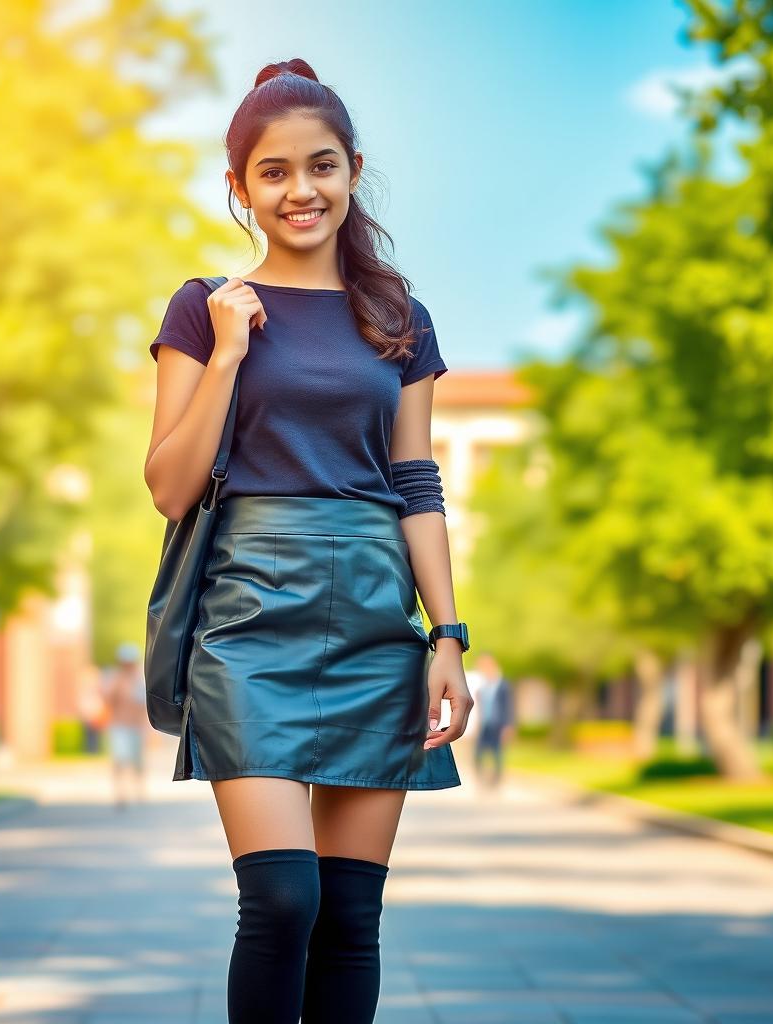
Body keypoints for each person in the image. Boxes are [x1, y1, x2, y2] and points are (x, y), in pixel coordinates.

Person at [144, 58, 474, 1024]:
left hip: (376, 617)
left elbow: (416, 484)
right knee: (285, 899)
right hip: (249, 617)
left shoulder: (397, 319)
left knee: (351, 919)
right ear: (238, 187)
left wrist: (448, 636)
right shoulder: (204, 310)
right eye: (275, 172)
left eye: (321, 167)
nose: (302, 190)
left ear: (353, 170)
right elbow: (170, 487)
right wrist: (231, 353)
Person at [100, 642, 150, 808]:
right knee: (120, 760)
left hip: (136, 726)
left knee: (138, 761)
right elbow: (108, 700)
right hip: (120, 726)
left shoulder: (140, 680)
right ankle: (120, 794)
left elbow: (145, 706)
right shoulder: (116, 679)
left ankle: (139, 791)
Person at [472, 651, 515, 789]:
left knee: (497, 754)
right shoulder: (482, 685)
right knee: (478, 753)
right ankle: (481, 778)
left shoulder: (503, 685)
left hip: (498, 724)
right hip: (484, 724)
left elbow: (509, 706)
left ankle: (495, 781)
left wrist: (508, 726)